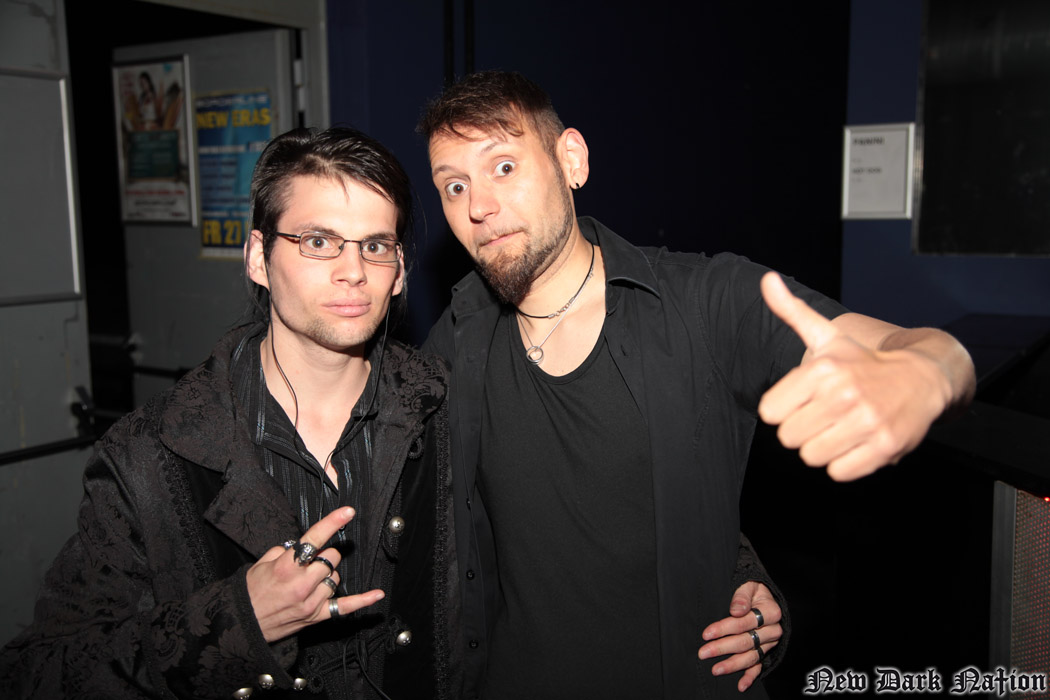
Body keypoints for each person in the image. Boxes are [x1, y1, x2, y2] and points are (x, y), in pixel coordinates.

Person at [418, 71, 976, 700]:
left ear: (570, 160)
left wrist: (926, 374)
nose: (479, 207)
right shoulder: (454, 341)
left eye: (503, 167)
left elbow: (923, 350)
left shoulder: (705, 301)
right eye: (455, 186)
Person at [0, 127, 460, 700]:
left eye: (374, 245)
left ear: (399, 272)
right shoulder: (150, 456)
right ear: (258, 259)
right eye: (318, 241)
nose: (353, 270)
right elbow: (39, 672)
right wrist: (238, 621)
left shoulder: (447, 410)